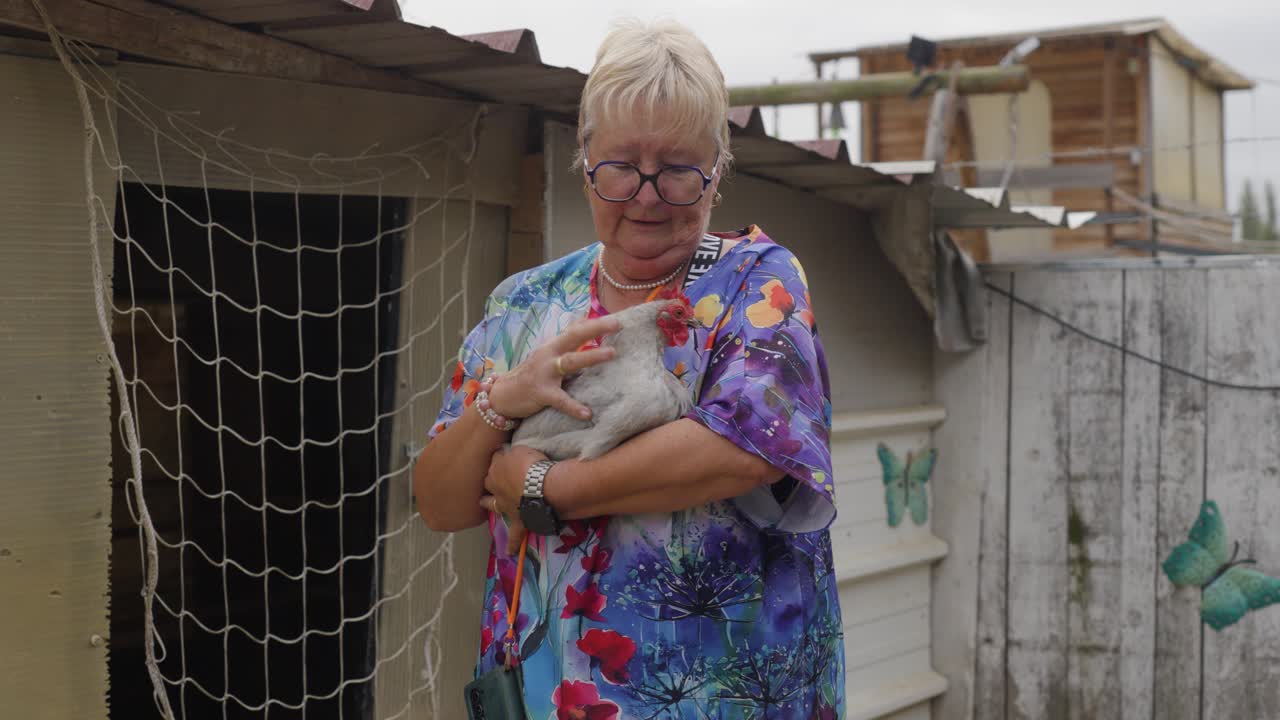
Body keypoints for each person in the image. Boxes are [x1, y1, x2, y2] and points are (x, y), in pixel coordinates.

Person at [415, 18, 845, 719]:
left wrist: (540, 485)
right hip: (548, 691)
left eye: (677, 169)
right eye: (621, 165)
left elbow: (744, 452)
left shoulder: (755, 283)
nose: (646, 195)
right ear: (585, 156)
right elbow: (439, 501)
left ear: (718, 166)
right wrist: (500, 405)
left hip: (727, 697)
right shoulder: (524, 303)